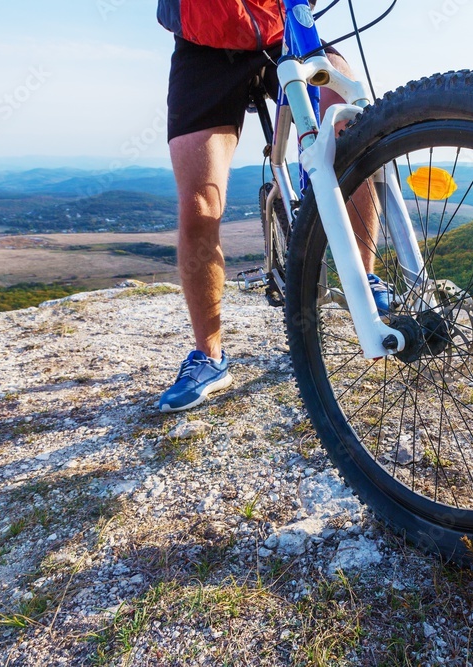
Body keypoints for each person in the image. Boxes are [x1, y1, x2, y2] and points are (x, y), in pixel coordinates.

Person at [155, 0, 389, 413]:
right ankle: (209, 358)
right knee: (199, 205)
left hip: (287, 26)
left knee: (354, 128)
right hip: (204, 38)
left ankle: (364, 282)